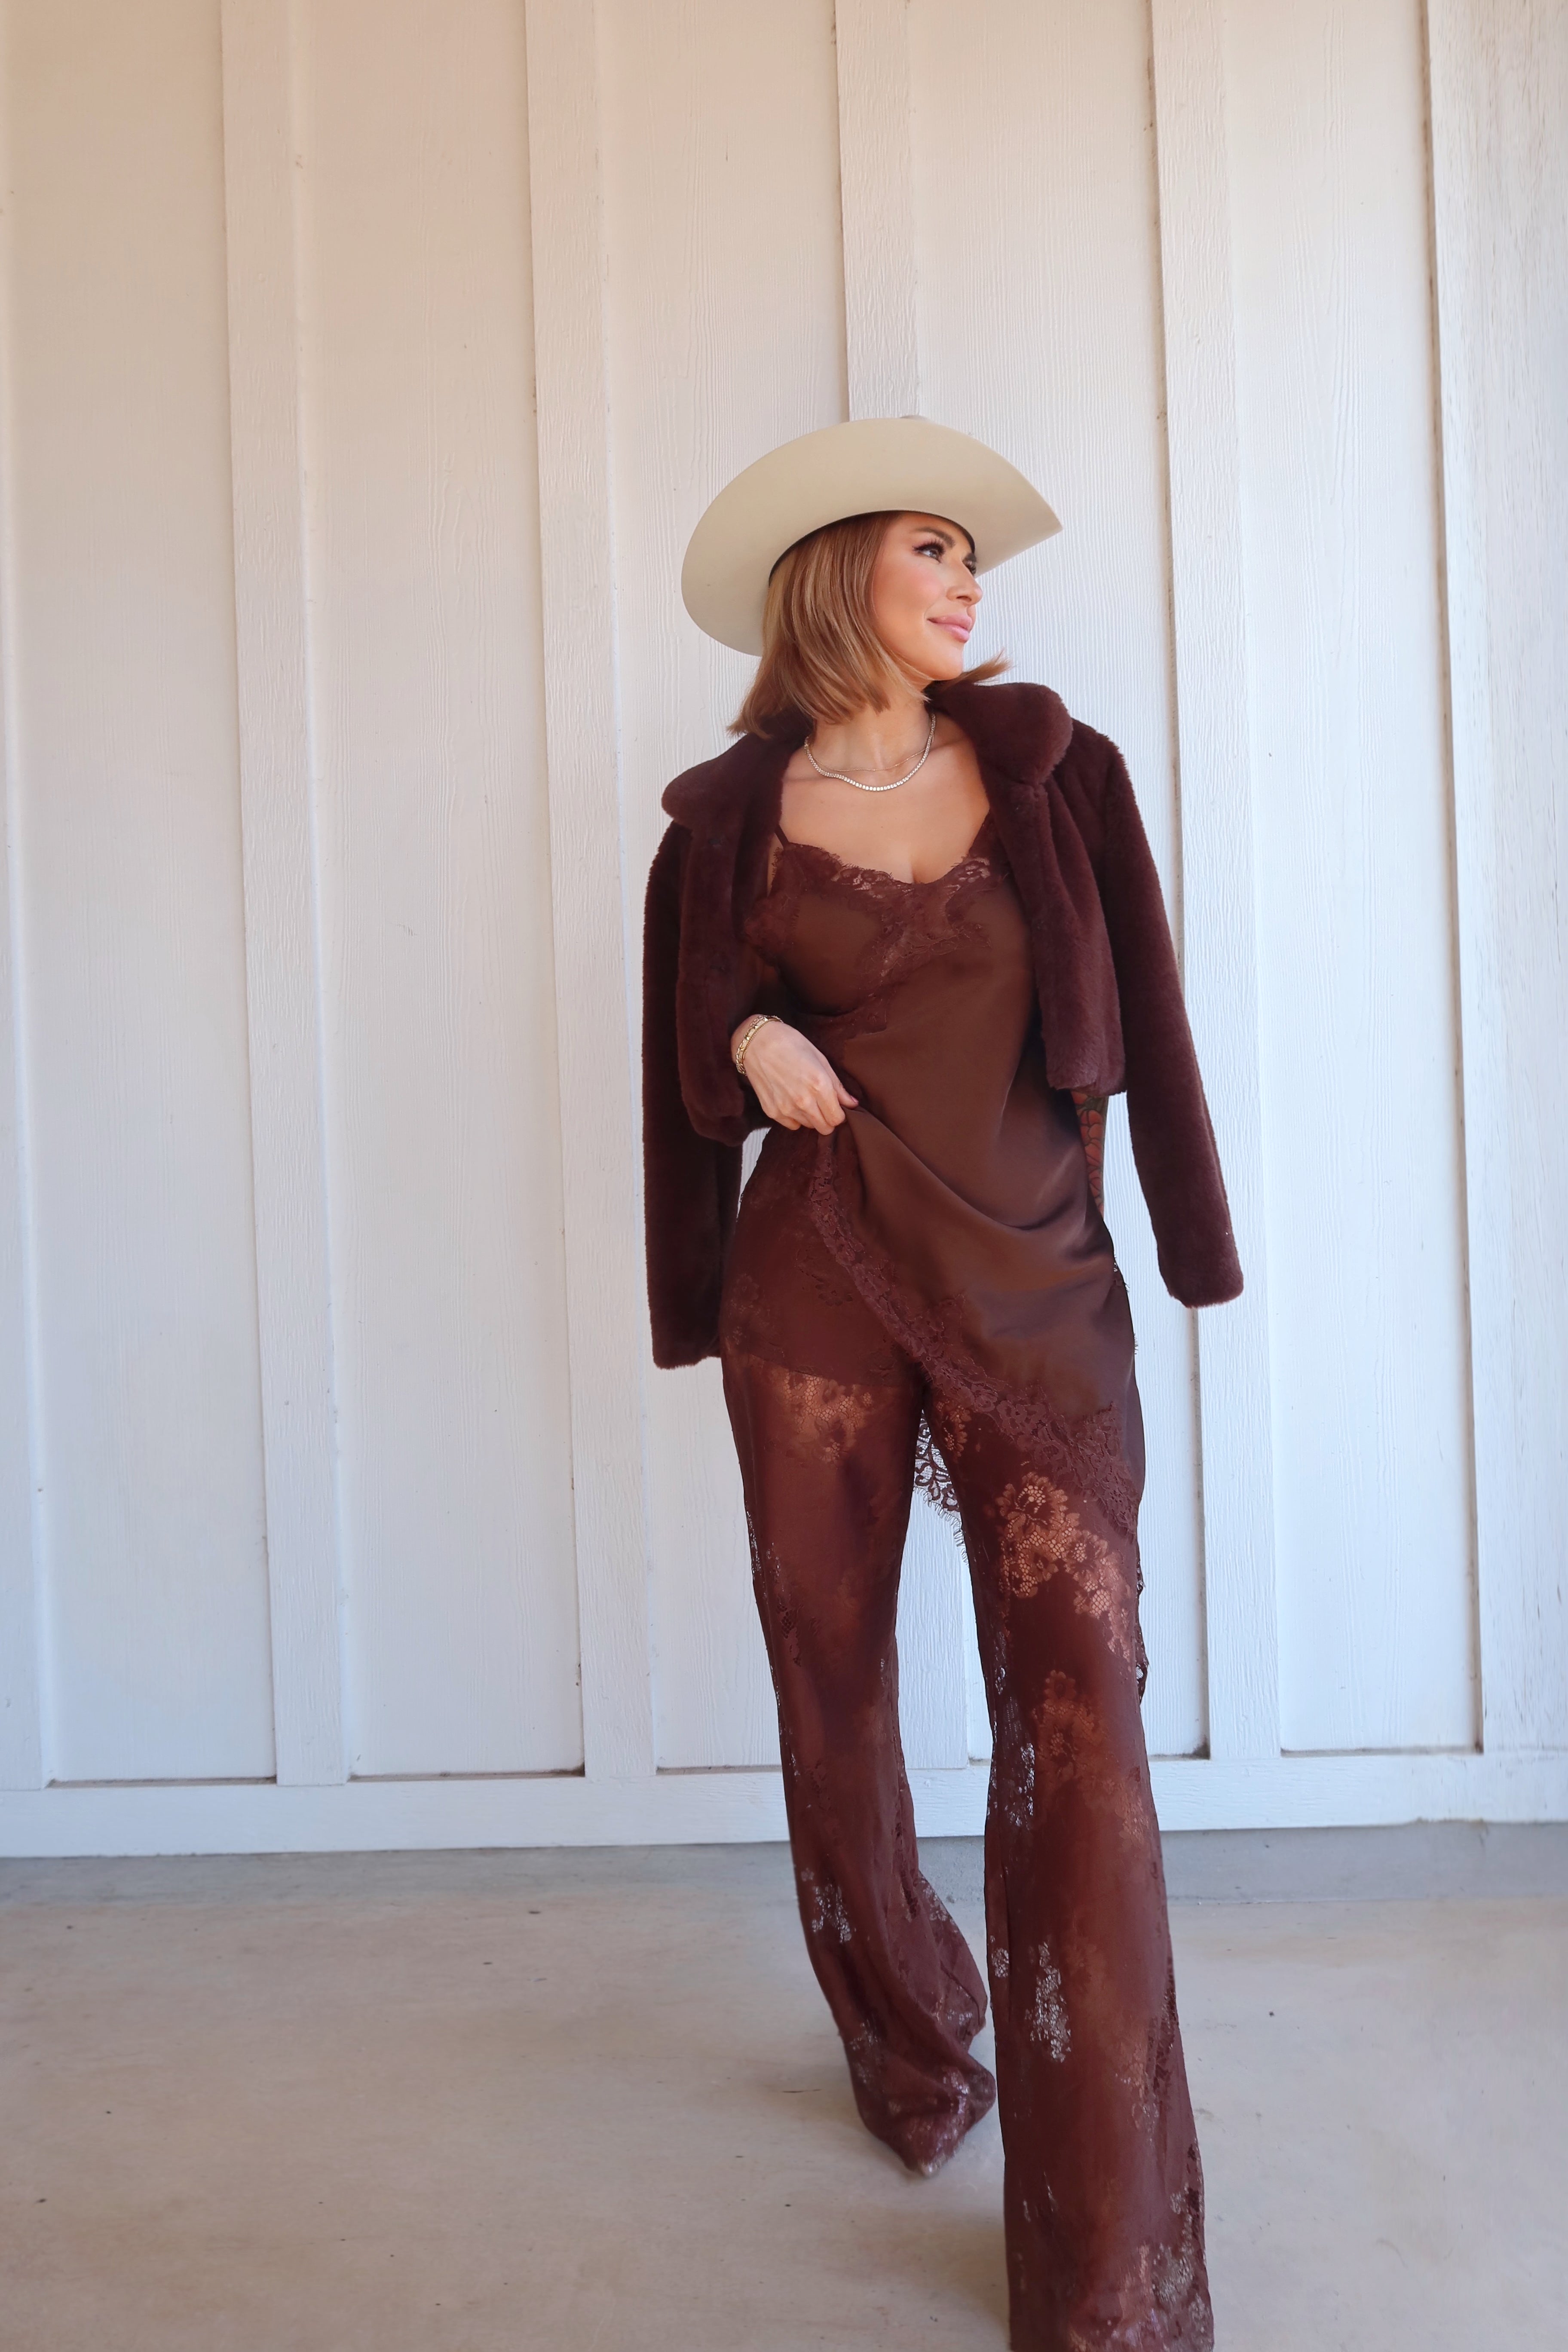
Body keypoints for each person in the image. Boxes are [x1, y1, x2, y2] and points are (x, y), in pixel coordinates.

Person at [641, 416, 1240, 2352]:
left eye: (975, 558)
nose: (969, 583)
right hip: (814, 1282)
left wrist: (1194, 1240)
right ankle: (912, 2039)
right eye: (934, 548)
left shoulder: (1062, 777)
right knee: (830, 1676)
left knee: (1081, 1725)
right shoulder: (726, 822)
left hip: (1038, 1288)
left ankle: (1107, 2269)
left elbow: (1153, 1024)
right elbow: (682, 1075)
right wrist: (745, 1033)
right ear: (838, 576)